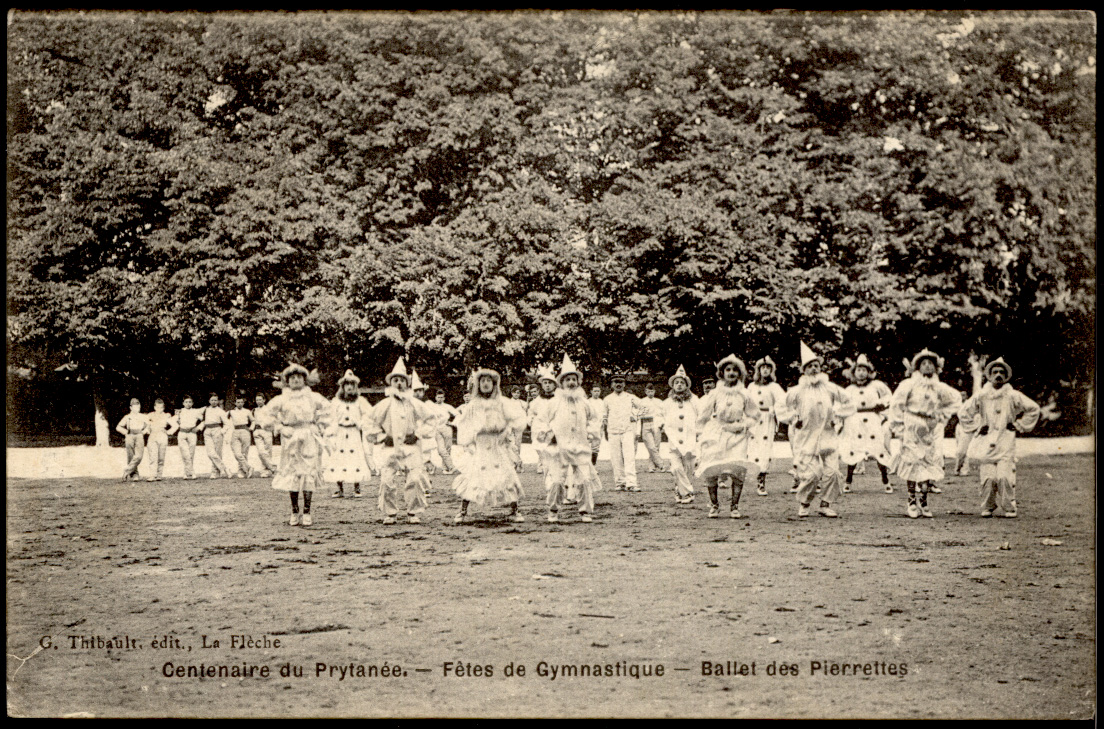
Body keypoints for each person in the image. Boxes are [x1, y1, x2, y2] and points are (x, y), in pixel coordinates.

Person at [776, 343, 855, 518]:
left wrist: (838, 415)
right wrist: (793, 418)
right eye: (810, 366)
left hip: (828, 435)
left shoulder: (830, 388)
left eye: (816, 366)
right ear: (804, 370)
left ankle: (825, 504)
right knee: (812, 474)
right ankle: (804, 503)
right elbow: (780, 406)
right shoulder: (797, 390)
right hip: (806, 437)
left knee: (833, 472)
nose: (813, 369)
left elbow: (849, 402)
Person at [959, 358, 1041, 518]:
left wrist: (1019, 424)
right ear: (989, 375)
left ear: (1006, 376)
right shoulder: (982, 395)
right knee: (988, 477)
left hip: (1005, 439)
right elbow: (963, 412)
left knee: (1004, 476)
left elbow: (1034, 409)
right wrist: (977, 427)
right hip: (986, 441)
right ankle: (988, 506)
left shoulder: (1012, 395)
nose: (998, 375)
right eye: (995, 372)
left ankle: (1009, 507)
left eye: (1001, 372)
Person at [888, 349, 962, 519]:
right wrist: (899, 428)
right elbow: (896, 405)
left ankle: (924, 500)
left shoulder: (939, 387)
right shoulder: (908, 384)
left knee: (927, 462)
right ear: (917, 367)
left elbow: (956, 399)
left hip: (929, 428)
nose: (927, 366)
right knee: (912, 462)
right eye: (923, 363)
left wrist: (942, 416)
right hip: (912, 425)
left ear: (936, 368)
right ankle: (911, 500)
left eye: (930, 364)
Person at [255, 364, 332, 527]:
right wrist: (281, 427)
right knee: (293, 474)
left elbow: (329, 410)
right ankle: (294, 510)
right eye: (292, 378)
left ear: (305, 380)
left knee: (308, 473)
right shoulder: (282, 399)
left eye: (299, 377)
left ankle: (307, 512)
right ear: (287, 381)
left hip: (309, 436)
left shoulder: (313, 397)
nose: (296, 380)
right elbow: (265, 416)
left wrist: (319, 424)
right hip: (290, 438)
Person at [451, 368, 528, 523]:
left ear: (494, 384)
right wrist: (469, 443)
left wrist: (505, 429)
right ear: (478, 385)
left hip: (497, 445)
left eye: (489, 381)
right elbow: (465, 424)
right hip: (480, 445)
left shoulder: (502, 402)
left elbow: (517, 419)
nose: (485, 384)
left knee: (507, 475)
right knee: (473, 476)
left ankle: (514, 510)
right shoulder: (473, 405)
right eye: (482, 381)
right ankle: (462, 511)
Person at [533, 355, 602, 523]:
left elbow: (594, 419)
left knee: (584, 480)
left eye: (574, 379)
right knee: (557, 481)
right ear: (562, 383)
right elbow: (540, 421)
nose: (571, 382)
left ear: (578, 383)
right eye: (567, 380)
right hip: (559, 448)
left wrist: (591, 433)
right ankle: (553, 511)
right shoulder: (554, 402)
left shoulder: (584, 403)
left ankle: (585, 511)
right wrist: (550, 435)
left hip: (580, 446)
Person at [364, 358, 434, 525]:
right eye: (395, 380)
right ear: (391, 384)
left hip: (411, 448)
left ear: (407, 384)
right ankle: (390, 513)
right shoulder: (384, 404)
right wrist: (382, 436)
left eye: (402, 380)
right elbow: (368, 421)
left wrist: (417, 434)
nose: (399, 384)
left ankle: (413, 512)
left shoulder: (413, 404)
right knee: (387, 480)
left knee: (415, 479)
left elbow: (431, 419)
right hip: (390, 449)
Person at [694, 355, 761, 518]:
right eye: (727, 370)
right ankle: (714, 505)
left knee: (737, 470)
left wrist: (744, 425)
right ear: (722, 373)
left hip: (737, 436)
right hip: (717, 433)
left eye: (734, 370)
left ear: (740, 373)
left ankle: (734, 506)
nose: (731, 373)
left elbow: (755, 415)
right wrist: (700, 435)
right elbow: (704, 416)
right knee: (712, 468)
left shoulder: (745, 394)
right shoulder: (715, 393)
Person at [839, 355, 894, 493]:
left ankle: (885, 480)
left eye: (864, 370)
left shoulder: (877, 385)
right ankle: (848, 480)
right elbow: (841, 404)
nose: (861, 372)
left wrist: (882, 405)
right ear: (854, 372)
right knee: (854, 449)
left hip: (873, 420)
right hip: (855, 421)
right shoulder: (850, 389)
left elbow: (888, 396)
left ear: (869, 372)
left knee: (878, 448)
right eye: (858, 370)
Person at [325, 370, 372, 499]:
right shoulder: (336, 401)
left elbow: (369, 415)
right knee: (338, 458)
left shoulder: (360, 401)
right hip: (340, 432)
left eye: (352, 384)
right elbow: (331, 417)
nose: (349, 387)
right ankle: (339, 488)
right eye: (347, 385)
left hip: (353, 432)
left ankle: (357, 488)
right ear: (343, 387)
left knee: (355, 457)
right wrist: (331, 431)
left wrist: (361, 423)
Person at [744, 356, 787, 496]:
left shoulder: (774, 387)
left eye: (768, 368)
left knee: (765, 448)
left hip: (767, 419)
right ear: (758, 370)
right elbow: (746, 402)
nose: (766, 370)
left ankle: (761, 481)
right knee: (752, 447)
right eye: (763, 368)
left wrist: (773, 409)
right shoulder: (751, 386)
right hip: (754, 419)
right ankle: (750, 475)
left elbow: (783, 400)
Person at [660, 365, 699, 504]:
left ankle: (680, 489)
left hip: (689, 439)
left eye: (682, 382)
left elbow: (701, 416)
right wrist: (661, 425)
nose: (679, 385)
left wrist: (700, 431)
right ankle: (688, 492)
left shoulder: (694, 400)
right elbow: (660, 416)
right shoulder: (667, 402)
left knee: (688, 468)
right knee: (676, 467)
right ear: (673, 385)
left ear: (686, 385)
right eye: (676, 382)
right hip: (674, 440)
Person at [603, 373, 644, 492]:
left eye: (621, 382)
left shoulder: (630, 397)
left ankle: (631, 483)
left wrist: (635, 416)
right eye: (616, 382)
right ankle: (620, 482)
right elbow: (604, 416)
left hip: (627, 431)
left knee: (629, 457)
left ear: (624, 384)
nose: (618, 384)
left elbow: (644, 407)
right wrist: (606, 429)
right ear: (612, 385)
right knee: (616, 458)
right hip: (613, 432)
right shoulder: (607, 399)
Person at [528, 365, 559, 485]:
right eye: (545, 383)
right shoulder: (536, 402)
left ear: (554, 385)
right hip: (542, 434)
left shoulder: (559, 400)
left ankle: (561, 488)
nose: (547, 385)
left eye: (550, 383)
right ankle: (550, 487)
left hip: (557, 434)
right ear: (542, 385)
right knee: (546, 462)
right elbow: (531, 416)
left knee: (558, 462)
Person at [116, 398, 150, 481]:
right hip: (130, 435)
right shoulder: (127, 417)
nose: (137, 408)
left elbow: (148, 426)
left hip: (139, 435)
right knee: (130, 456)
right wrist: (125, 432)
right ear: (131, 407)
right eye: (135, 406)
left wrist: (144, 432)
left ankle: (126, 471)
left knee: (139, 456)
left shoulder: (143, 416)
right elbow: (118, 427)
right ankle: (134, 475)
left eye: (138, 406)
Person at [145, 399, 177, 481]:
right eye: (157, 407)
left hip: (162, 436)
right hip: (153, 435)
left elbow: (175, 426)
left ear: (163, 408)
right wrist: (147, 430)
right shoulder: (150, 415)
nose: (159, 409)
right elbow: (146, 425)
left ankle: (159, 475)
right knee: (153, 456)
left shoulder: (166, 415)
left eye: (161, 407)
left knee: (161, 457)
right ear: (154, 407)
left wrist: (168, 432)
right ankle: (152, 475)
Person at [638, 384, 668, 473]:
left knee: (656, 446)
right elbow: (639, 414)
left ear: (654, 391)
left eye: (652, 391)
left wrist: (663, 425)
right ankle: (661, 465)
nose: (650, 393)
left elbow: (663, 414)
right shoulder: (641, 401)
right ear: (645, 392)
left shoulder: (659, 402)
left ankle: (651, 467)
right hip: (646, 424)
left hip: (657, 424)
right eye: (648, 391)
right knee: (651, 446)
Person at [201, 393, 231, 479]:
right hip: (207, 431)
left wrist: (222, 431)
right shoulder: (206, 410)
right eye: (212, 400)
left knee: (217, 452)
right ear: (209, 401)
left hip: (217, 430)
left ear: (218, 401)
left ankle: (215, 472)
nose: (214, 402)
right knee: (210, 453)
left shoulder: (220, 411)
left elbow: (227, 424)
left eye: (215, 400)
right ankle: (225, 468)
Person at [174, 396, 204, 480]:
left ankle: (186, 473)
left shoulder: (195, 411)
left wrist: (198, 428)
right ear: (183, 403)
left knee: (191, 453)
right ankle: (191, 472)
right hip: (182, 433)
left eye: (190, 402)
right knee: (185, 453)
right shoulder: (179, 411)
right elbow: (175, 421)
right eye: (186, 402)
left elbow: (204, 420)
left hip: (192, 433)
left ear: (192, 403)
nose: (188, 404)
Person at [433, 389, 461, 476]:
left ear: (444, 398)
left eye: (441, 397)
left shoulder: (447, 406)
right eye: (438, 397)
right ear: (435, 397)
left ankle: (446, 469)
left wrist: (452, 423)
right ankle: (451, 466)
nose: (440, 399)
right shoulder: (432, 406)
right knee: (441, 450)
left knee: (447, 448)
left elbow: (457, 414)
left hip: (447, 427)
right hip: (437, 428)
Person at [227, 396, 255, 478]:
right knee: (237, 453)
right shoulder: (231, 412)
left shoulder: (247, 411)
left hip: (245, 431)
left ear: (243, 403)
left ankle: (242, 471)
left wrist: (251, 428)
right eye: (238, 402)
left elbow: (253, 420)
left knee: (244, 452)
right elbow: (224, 420)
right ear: (235, 403)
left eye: (241, 402)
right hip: (235, 431)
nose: (239, 404)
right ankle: (249, 467)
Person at [252, 393, 277, 477]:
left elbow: (273, 420)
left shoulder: (268, 409)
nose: (258, 401)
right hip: (257, 431)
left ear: (264, 400)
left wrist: (273, 430)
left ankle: (265, 471)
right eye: (257, 400)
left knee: (267, 451)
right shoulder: (254, 410)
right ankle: (273, 468)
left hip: (266, 431)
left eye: (260, 400)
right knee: (261, 452)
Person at [587, 384, 607, 466]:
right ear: (591, 391)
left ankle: (593, 466)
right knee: (586, 447)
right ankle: (585, 466)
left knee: (595, 448)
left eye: (598, 391)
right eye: (595, 391)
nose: (596, 393)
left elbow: (604, 415)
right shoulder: (587, 402)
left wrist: (604, 424)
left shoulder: (602, 402)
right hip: (589, 427)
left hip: (598, 428)